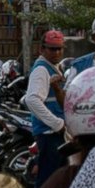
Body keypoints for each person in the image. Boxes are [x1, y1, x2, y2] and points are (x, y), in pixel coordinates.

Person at [23, 28, 69, 180]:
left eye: (59, 49)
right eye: (52, 49)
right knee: (48, 179)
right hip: (49, 133)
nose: (56, 53)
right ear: (42, 49)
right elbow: (32, 100)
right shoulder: (42, 69)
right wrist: (56, 124)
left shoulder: (54, 67)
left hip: (54, 133)